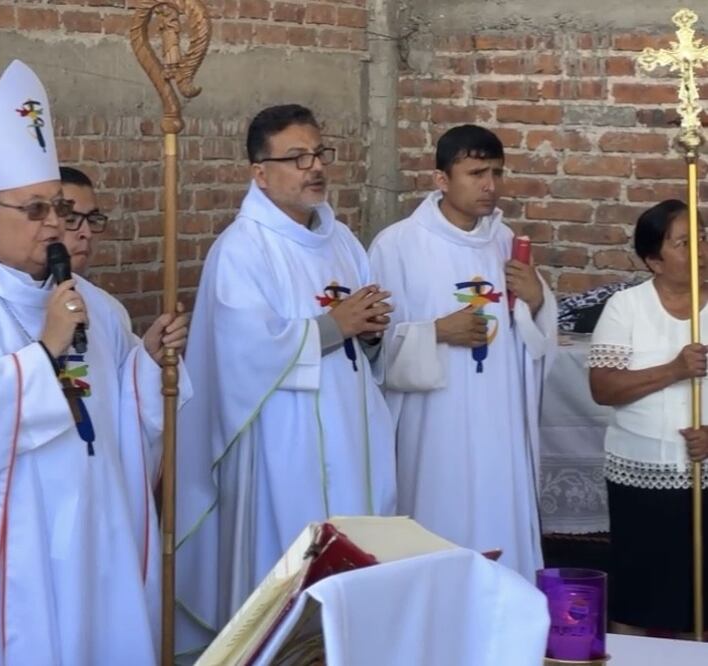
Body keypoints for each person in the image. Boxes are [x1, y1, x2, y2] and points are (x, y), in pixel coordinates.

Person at [0, 61, 188, 665]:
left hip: (95, 529)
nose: (55, 223)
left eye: (57, 206)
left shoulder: (92, 305)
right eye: (36, 210)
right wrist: (45, 350)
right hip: (21, 547)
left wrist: (146, 364)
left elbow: (112, 417)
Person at [174, 103, 397, 655]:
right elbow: (243, 352)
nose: (314, 167)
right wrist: (334, 326)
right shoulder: (242, 248)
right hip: (281, 444)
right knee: (289, 573)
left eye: (319, 153)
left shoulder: (341, 240)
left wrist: (371, 332)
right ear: (260, 172)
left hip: (353, 430)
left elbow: (365, 332)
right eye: (297, 158)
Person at [367, 124, 555, 581]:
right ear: (441, 180)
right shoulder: (397, 245)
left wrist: (536, 301)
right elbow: (372, 346)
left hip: (498, 422)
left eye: (496, 173)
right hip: (433, 426)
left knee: (498, 521)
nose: (490, 185)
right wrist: (435, 332)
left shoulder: (505, 242)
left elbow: (533, 342)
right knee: (436, 526)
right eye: (476, 173)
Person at [588, 199, 708, 639]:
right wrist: (675, 369)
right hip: (640, 473)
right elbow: (604, 388)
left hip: (704, 473)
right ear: (654, 260)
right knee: (638, 589)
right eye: (684, 242)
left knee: (699, 596)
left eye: (703, 237)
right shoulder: (627, 307)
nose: (701, 250)